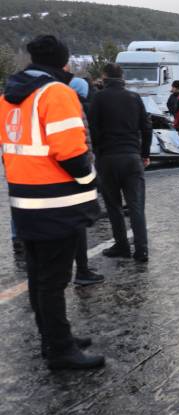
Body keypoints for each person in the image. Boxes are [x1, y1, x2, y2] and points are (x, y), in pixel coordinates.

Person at [0, 35, 104, 370]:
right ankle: (60, 350)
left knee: (39, 276)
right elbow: (72, 153)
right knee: (54, 280)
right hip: (57, 203)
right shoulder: (57, 93)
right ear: (63, 62)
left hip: (26, 201)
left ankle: (52, 337)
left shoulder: (9, 96)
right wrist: (91, 180)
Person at [88, 63, 152, 262]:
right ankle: (141, 250)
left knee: (114, 206)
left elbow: (92, 129)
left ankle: (122, 246)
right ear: (122, 77)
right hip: (132, 157)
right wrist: (145, 153)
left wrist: (98, 152)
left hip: (107, 158)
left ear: (104, 77)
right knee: (136, 206)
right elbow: (147, 127)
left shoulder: (98, 98)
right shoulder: (134, 98)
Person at [69, 74, 105, 285]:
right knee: (79, 222)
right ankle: (81, 270)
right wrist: (89, 177)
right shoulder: (79, 107)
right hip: (81, 169)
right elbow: (81, 143)